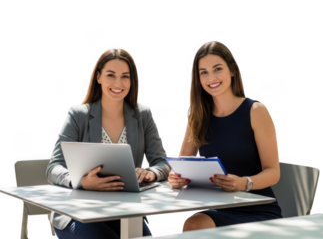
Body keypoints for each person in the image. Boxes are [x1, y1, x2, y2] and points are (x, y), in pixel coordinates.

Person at [46, 47, 171, 239]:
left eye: (125, 76)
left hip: (125, 212)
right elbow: (53, 167)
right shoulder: (78, 115)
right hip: (77, 213)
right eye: (111, 75)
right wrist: (81, 181)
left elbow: (163, 163)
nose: (118, 83)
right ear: (98, 77)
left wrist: (150, 173)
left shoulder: (143, 115)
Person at [168, 40, 283, 231]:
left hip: (257, 210)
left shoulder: (256, 111)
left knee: (195, 225)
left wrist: (243, 183)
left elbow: (273, 172)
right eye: (203, 72)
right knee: (194, 224)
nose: (211, 78)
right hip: (218, 208)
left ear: (232, 70)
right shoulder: (197, 116)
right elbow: (181, 164)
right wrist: (176, 178)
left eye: (217, 69)